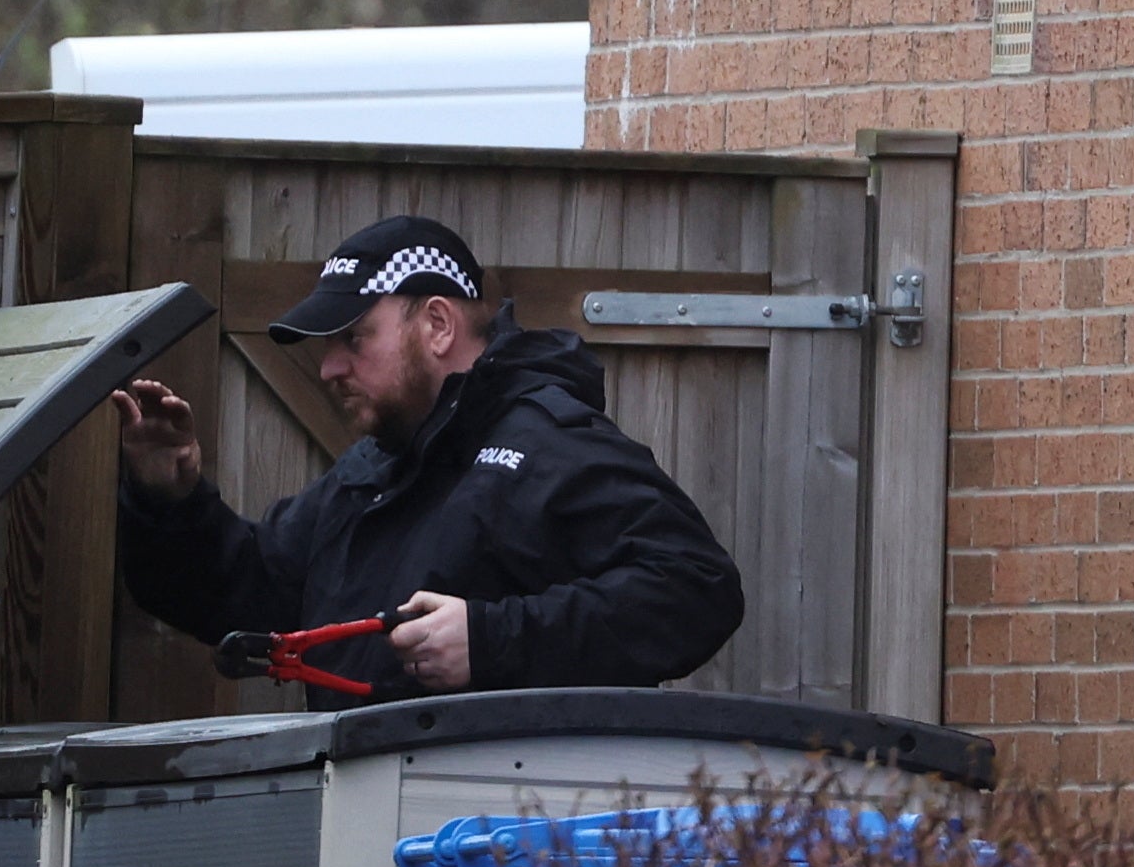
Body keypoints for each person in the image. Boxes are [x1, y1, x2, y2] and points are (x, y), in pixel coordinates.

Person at [114, 214, 744, 709]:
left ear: (437, 324)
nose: (330, 368)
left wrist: (491, 639)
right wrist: (169, 499)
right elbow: (247, 594)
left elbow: (696, 589)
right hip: (361, 824)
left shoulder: (549, 445)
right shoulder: (373, 472)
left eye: (353, 339)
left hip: (502, 847)